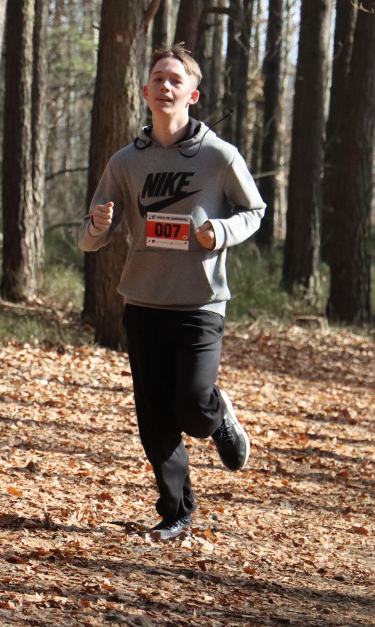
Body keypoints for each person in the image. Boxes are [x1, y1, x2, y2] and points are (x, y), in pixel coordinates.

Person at [78, 43, 266, 539]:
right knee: (154, 417)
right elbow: (88, 236)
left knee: (192, 404)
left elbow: (255, 212)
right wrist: (98, 223)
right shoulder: (125, 162)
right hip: (142, 302)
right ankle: (176, 512)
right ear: (144, 92)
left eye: (175, 80)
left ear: (192, 95)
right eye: (157, 78)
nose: (165, 85)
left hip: (201, 302)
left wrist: (219, 233)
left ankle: (217, 415)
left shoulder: (219, 156)